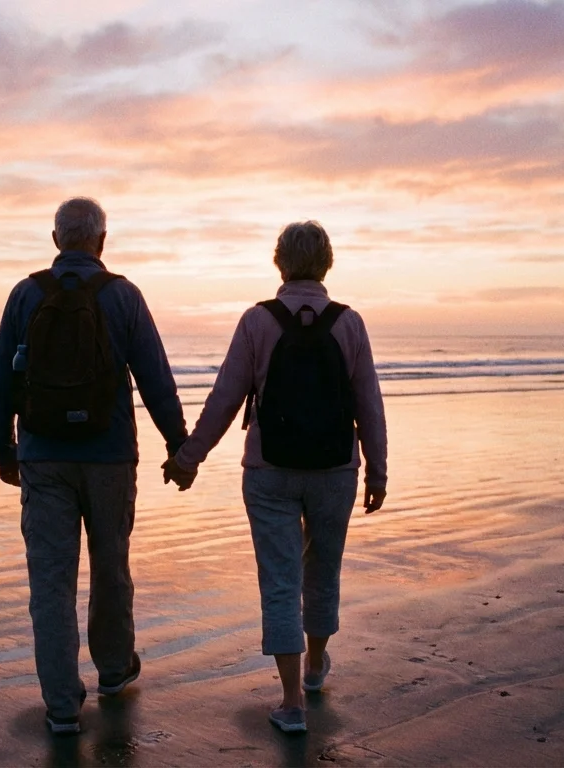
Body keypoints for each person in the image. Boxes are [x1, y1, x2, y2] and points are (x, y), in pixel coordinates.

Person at [162, 220, 387, 733]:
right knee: (323, 570)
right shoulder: (349, 323)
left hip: (269, 473)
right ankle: (313, 668)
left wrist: (188, 457)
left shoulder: (257, 322)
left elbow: (225, 400)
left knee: (281, 581)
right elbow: (368, 404)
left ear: (279, 262)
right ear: (326, 263)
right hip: (335, 471)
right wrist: (378, 470)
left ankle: (291, 704)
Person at [0, 197, 188, 734]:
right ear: (102, 241)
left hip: (43, 456)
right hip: (110, 454)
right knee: (110, 566)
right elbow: (155, 378)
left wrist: (4, 449)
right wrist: (179, 445)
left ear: (56, 240)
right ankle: (114, 671)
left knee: (51, 582)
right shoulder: (124, 296)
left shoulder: (25, 295)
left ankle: (60, 706)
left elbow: (2, 382)